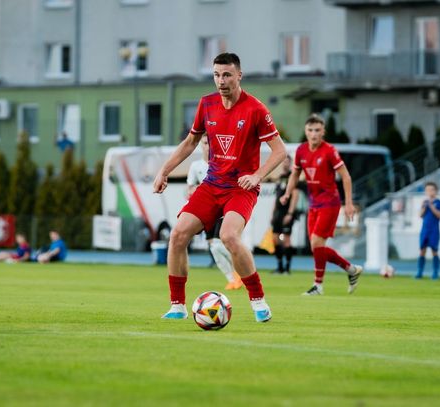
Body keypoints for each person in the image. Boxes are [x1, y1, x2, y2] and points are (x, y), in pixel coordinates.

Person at [153, 52, 286, 322]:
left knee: (229, 237)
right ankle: (177, 306)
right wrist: (163, 171)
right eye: (216, 75)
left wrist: (257, 175)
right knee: (177, 235)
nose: (221, 80)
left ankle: (258, 301)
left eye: (226, 75)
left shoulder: (256, 109)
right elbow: (190, 142)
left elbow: (280, 151)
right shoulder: (207, 104)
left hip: (240, 188)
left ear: (239, 75)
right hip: (212, 184)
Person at [281, 114, 362, 295]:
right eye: (310, 130)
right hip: (314, 204)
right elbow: (295, 174)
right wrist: (287, 193)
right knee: (316, 248)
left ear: (323, 131)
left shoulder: (329, 151)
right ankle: (351, 270)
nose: (314, 134)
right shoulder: (301, 150)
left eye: (317, 130)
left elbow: (346, 177)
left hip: (330, 203)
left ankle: (318, 286)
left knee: (317, 243)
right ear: (306, 131)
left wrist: (348, 203)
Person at [187, 134, 243, 290]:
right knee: (213, 247)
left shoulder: (223, 164)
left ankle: (241, 271)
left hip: (223, 208)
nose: (208, 146)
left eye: (210, 143)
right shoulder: (195, 166)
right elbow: (190, 189)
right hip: (207, 210)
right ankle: (232, 279)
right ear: (201, 145)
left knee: (219, 245)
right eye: (205, 143)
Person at [271, 155, 299, 274]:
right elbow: (276, 197)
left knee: (286, 239)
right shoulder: (280, 178)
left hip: (287, 212)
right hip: (278, 213)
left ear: (290, 163)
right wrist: (273, 213)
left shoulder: (292, 177)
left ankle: (287, 268)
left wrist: (290, 213)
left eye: (287, 162)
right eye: (284, 162)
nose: (285, 164)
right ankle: (280, 267)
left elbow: (295, 195)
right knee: (275, 239)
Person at [416, 182, 440, 279]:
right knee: (422, 250)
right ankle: (419, 272)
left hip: (434, 230)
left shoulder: (438, 202)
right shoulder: (424, 202)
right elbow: (420, 215)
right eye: (427, 190)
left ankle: (435, 272)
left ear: (435, 191)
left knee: (434, 250)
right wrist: (424, 207)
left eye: (431, 190)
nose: (429, 192)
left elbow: (439, 215)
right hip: (425, 229)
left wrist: (431, 206)